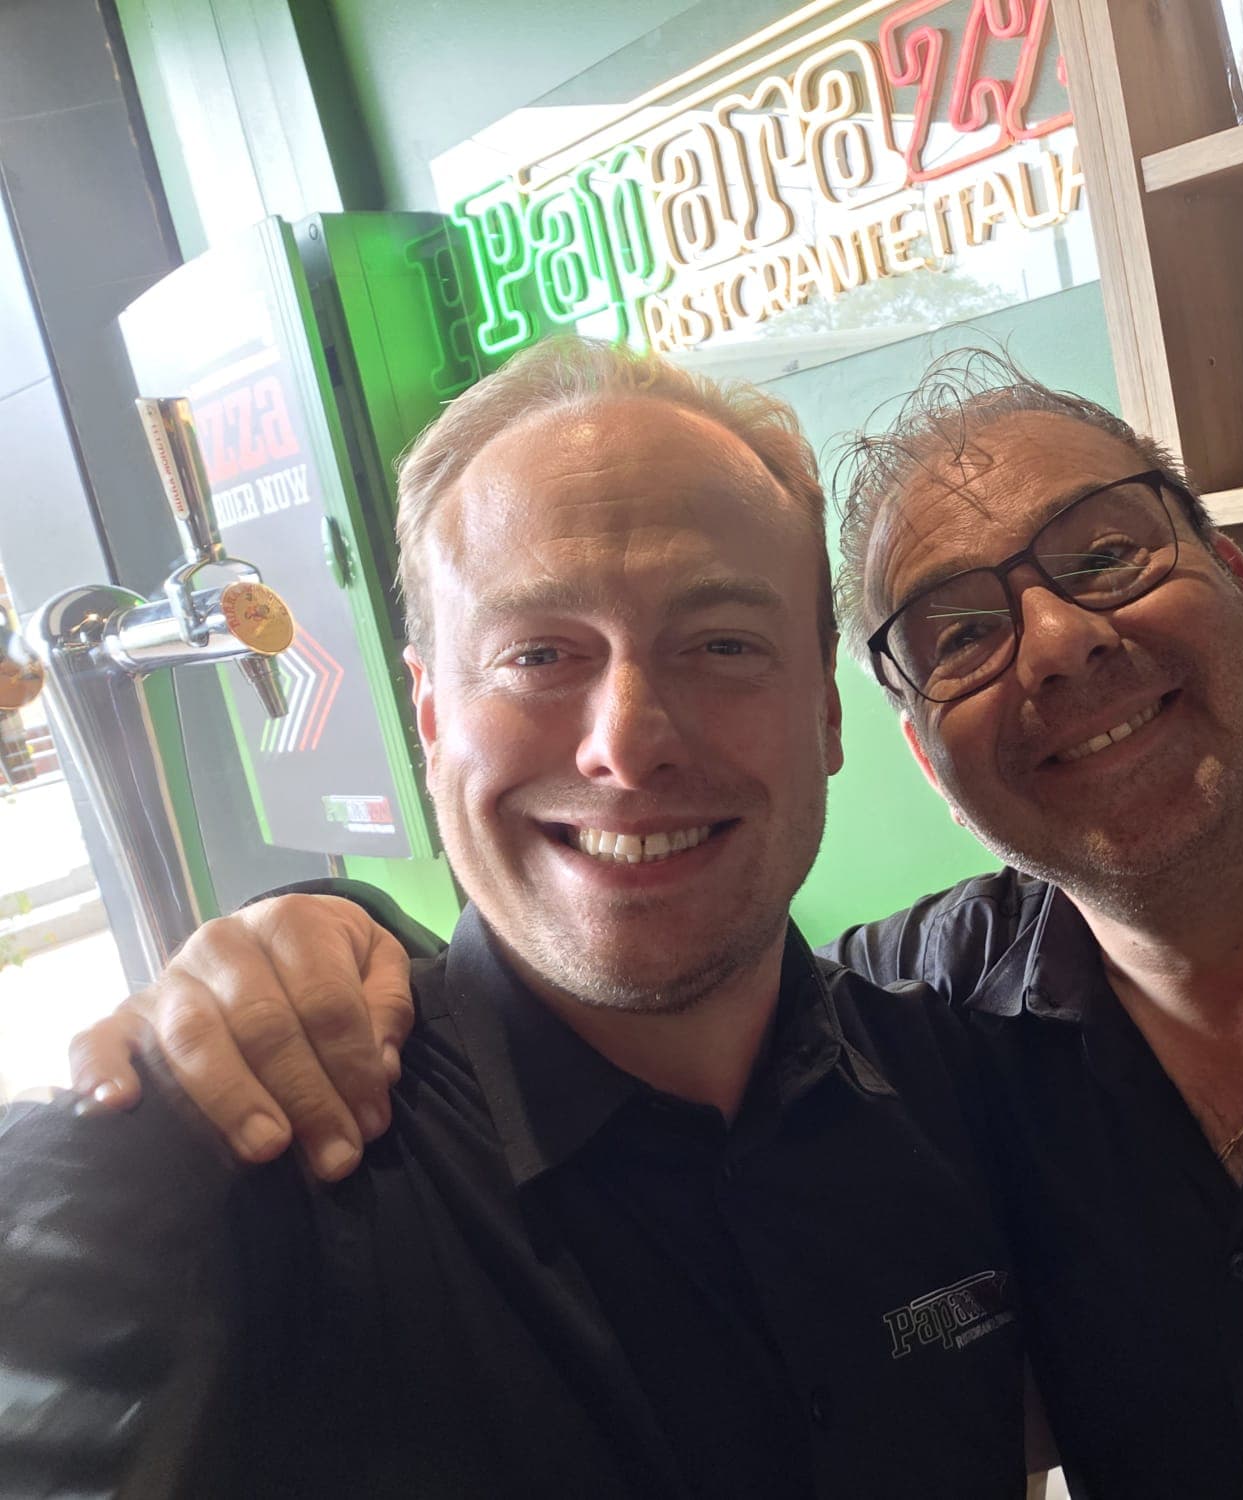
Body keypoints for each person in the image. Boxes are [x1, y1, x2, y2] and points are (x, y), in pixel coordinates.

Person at [73, 351, 1243, 1497]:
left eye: (1106, 557)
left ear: (1237, 576)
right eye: (962, 630)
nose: (1063, 647)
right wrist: (311, 933)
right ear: (899, 734)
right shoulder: (936, 1041)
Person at [0, 338, 1029, 1499]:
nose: (626, 740)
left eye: (724, 645)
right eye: (538, 653)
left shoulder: (957, 1093)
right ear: (432, 716)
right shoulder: (201, 1180)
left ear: (825, 719)